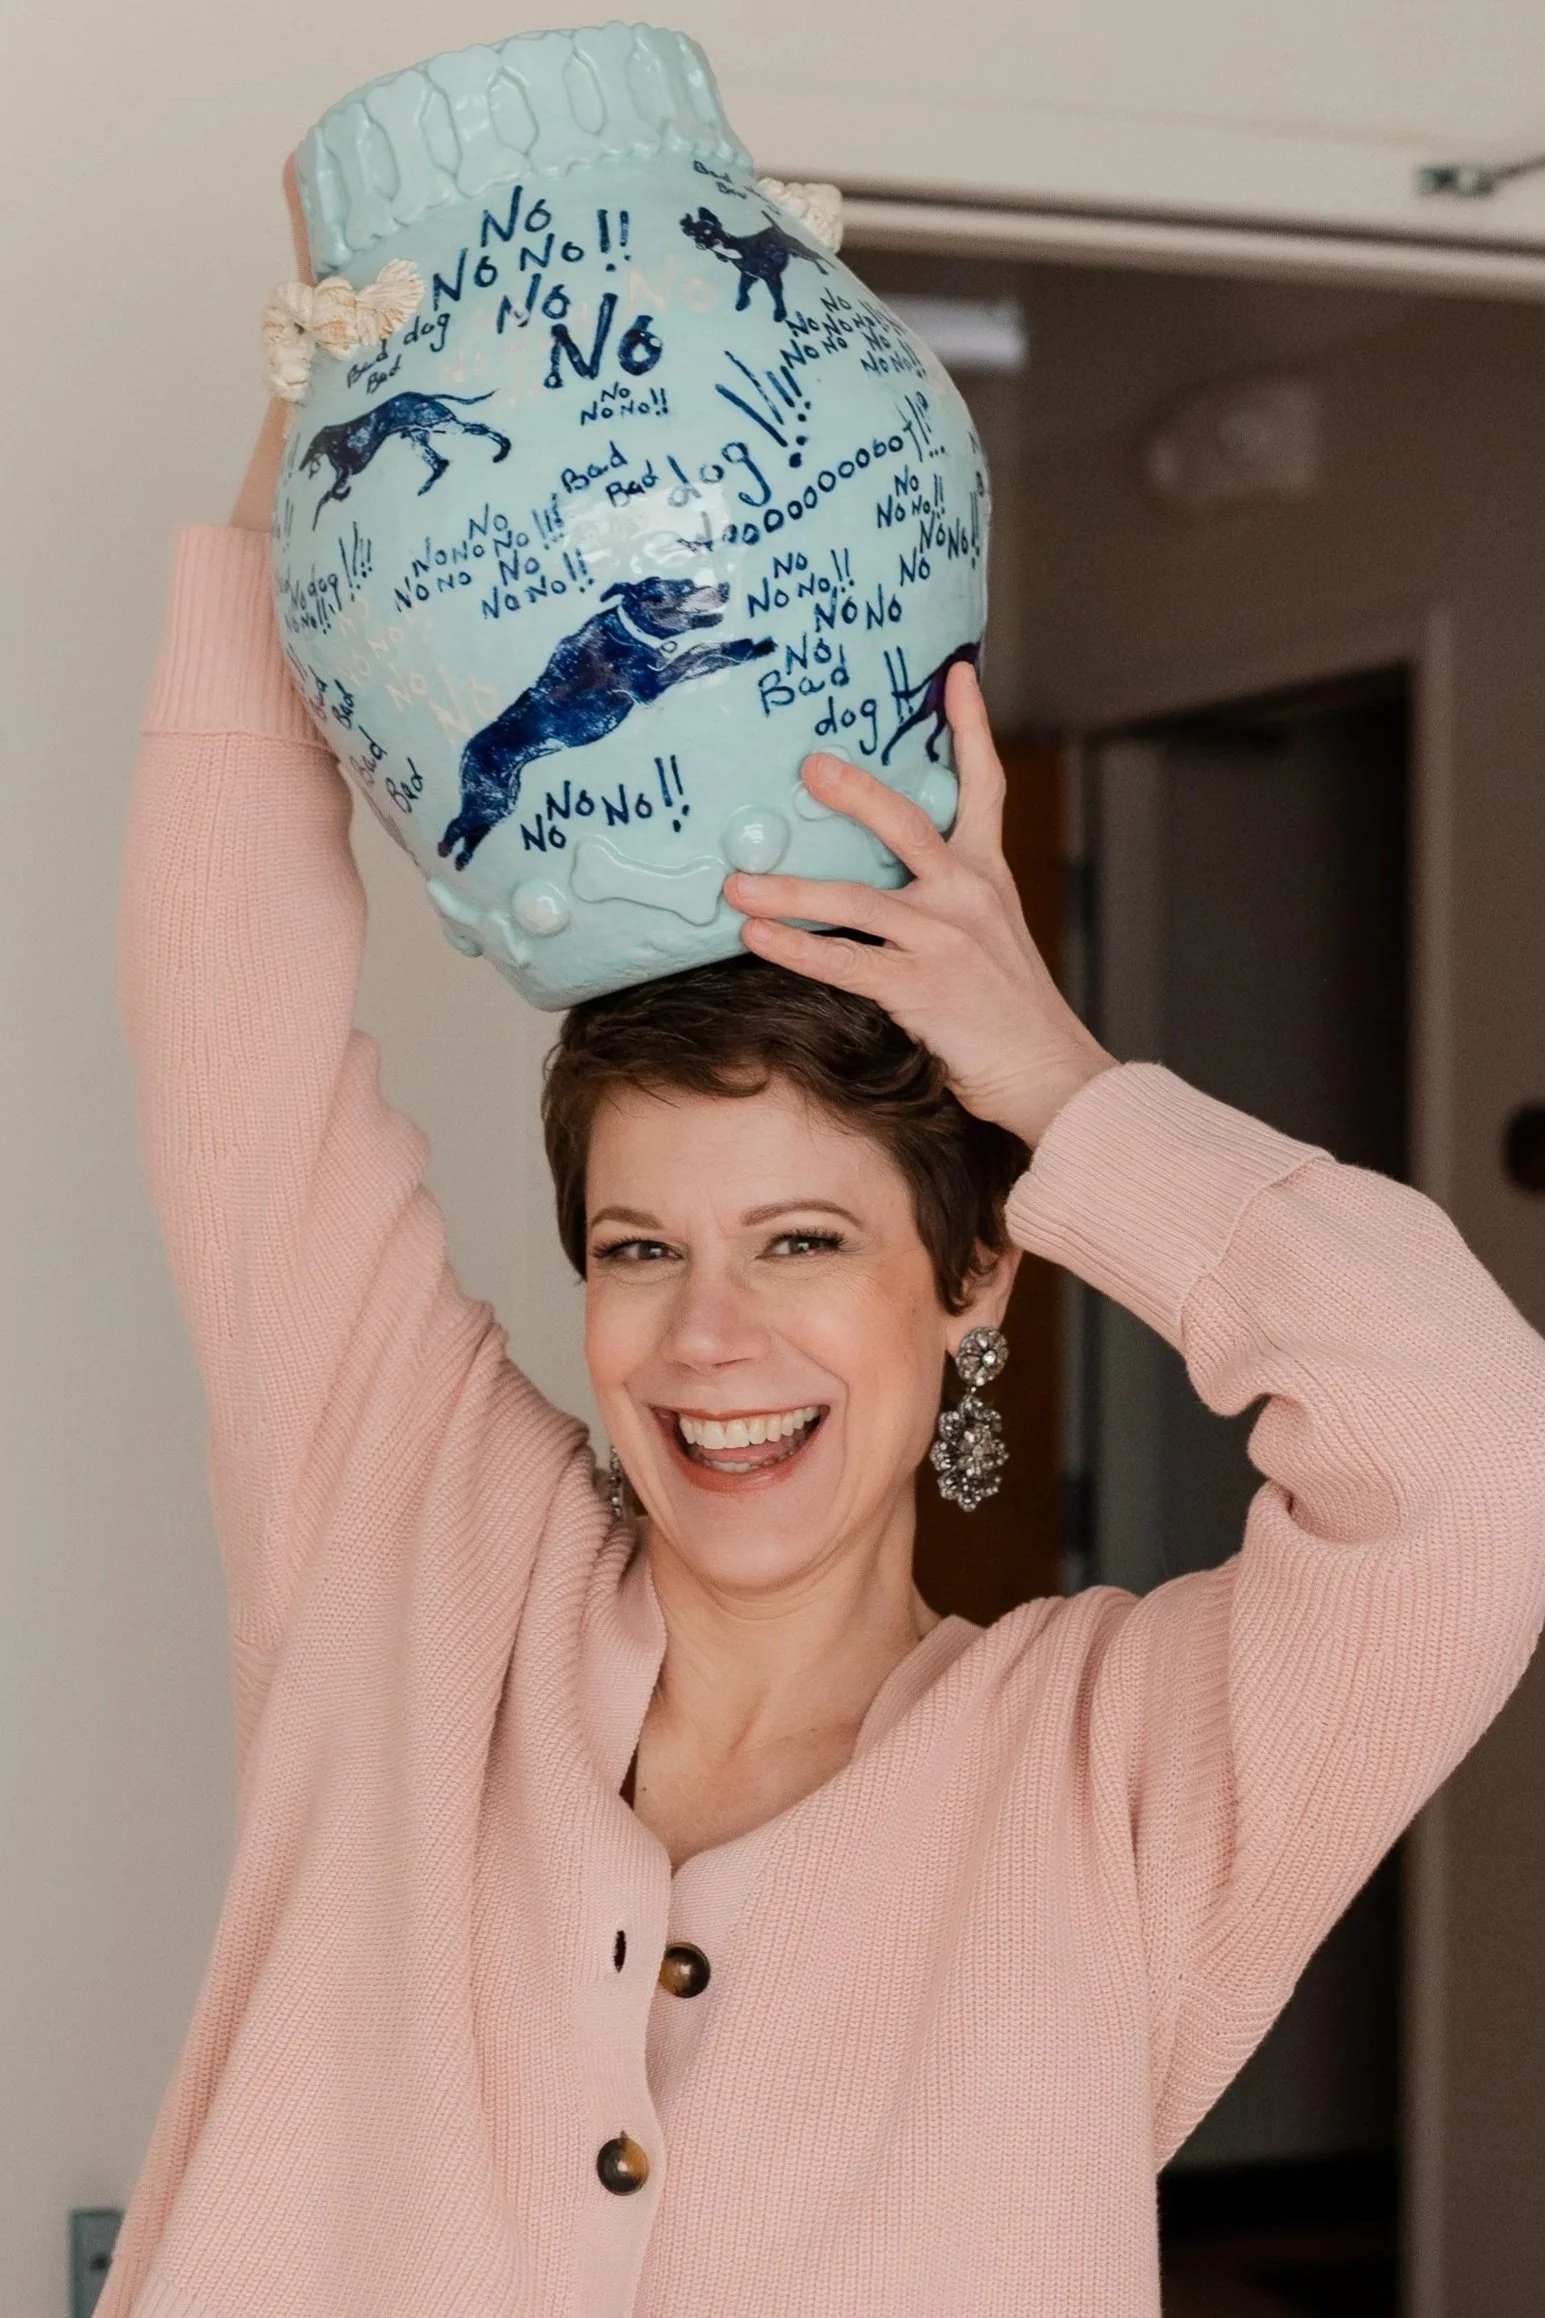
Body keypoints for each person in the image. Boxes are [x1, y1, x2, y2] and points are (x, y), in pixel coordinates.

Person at [99, 329, 1545, 2318]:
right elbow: (223, 987)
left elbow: (1474, 1455)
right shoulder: (413, 1560)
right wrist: (334, 342)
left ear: (971, 1278)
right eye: (636, 1247)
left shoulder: (1116, 1780)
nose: (708, 1337)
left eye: (798, 1243)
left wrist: (1056, 1077)